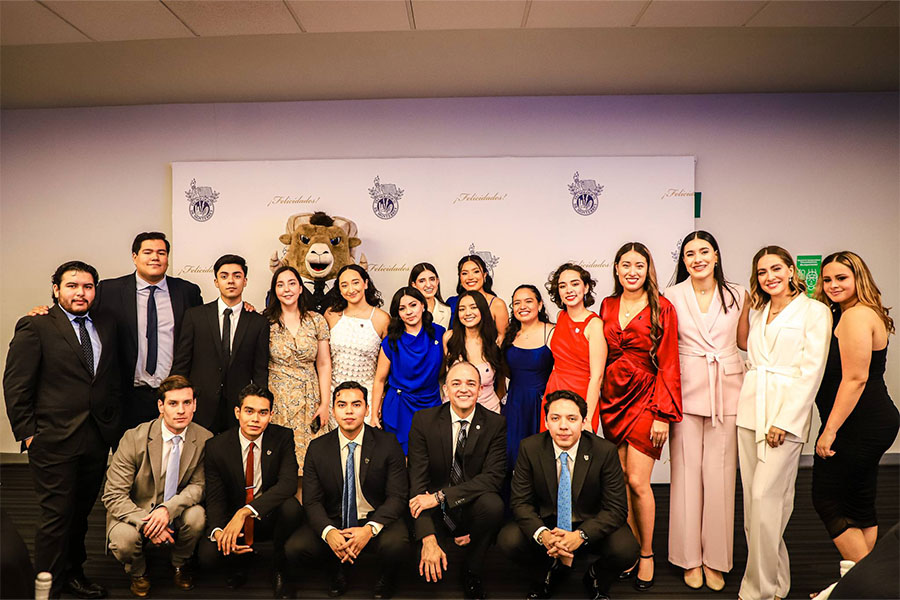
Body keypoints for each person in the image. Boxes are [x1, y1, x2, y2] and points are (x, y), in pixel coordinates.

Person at [3, 260, 121, 599]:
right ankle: (47, 586)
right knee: (56, 517)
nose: (80, 292)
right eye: (72, 286)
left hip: (95, 439)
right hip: (52, 440)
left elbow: (106, 378)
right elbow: (16, 385)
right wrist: (28, 433)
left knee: (82, 514)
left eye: (87, 286)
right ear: (56, 290)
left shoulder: (106, 323)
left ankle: (73, 574)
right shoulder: (35, 325)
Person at [23, 232, 204, 434]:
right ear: (134, 256)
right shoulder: (108, 290)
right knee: (126, 460)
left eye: (161, 252)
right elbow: (78, 312)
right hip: (125, 397)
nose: (155, 257)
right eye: (148, 252)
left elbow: (199, 331)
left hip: (173, 397)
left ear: (167, 258)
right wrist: (48, 312)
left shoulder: (188, 292)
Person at [736, 246, 831, 600]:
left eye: (776, 268)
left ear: (792, 270)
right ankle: (775, 585)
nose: (769, 277)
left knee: (768, 499)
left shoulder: (815, 311)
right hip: (749, 411)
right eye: (762, 272)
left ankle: (758, 591)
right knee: (755, 507)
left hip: (783, 415)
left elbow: (811, 372)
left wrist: (786, 420)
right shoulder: (760, 311)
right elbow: (748, 351)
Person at [665, 231, 750, 591]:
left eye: (703, 251)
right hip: (684, 389)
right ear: (682, 261)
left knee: (720, 477)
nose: (697, 258)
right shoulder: (670, 295)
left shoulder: (739, 293)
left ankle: (716, 559)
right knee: (685, 476)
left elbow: (746, 342)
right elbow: (665, 347)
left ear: (716, 255)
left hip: (727, 389)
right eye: (689, 254)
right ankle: (688, 558)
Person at [498, 390, 639, 600]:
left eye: (571, 419)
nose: (563, 426)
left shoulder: (604, 451)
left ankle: (594, 578)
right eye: (555, 418)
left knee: (626, 549)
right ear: (546, 422)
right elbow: (520, 502)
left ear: (583, 422)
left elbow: (616, 509)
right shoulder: (530, 447)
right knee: (509, 539)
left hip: (589, 523)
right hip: (548, 523)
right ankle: (545, 574)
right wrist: (544, 534)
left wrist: (580, 536)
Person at [598, 242, 682, 591]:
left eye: (639, 264)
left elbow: (669, 362)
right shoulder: (607, 304)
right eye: (625, 264)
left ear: (649, 269)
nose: (632, 271)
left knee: (637, 481)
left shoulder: (663, 308)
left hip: (647, 397)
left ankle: (647, 553)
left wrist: (663, 413)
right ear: (616, 269)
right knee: (619, 481)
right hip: (612, 398)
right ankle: (630, 549)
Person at [811, 251, 899, 562]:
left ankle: (866, 585)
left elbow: (855, 380)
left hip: (859, 423)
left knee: (828, 500)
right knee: (859, 503)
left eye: (841, 278)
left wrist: (828, 431)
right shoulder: (850, 311)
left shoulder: (856, 316)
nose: (833, 284)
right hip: (871, 420)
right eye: (828, 279)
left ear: (858, 278)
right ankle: (857, 586)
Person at [286, 381, 409, 599]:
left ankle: (387, 577)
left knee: (396, 544)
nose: (349, 411)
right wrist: (329, 532)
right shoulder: (318, 447)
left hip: (373, 516)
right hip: (335, 518)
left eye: (356, 404)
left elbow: (397, 497)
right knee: (295, 548)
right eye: (342, 405)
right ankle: (334, 569)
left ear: (367, 408)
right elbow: (312, 501)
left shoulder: (388, 443)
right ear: (333, 410)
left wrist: (369, 529)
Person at [102, 375, 212, 598]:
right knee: (123, 540)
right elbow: (113, 495)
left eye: (187, 403)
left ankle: (180, 563)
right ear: (161, 406)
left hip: (176, 509)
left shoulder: (204, 439)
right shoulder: (133, 438)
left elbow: (199, 486)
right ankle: (138, 572)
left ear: (195, 405)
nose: (181, 410)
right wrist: (148, 523)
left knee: (198, 516)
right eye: (173, 403)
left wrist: (167, 510)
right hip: (136, 510)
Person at [407, 361, 506, 600]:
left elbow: (493, 478)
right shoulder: (424, 421)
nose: (464, 389)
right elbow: (417, 483)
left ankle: (472, 570)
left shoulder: (495, 424)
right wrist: (428, 539)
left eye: (471, 383)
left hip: (468, 505)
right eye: (456, 383)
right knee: (422, 580)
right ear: (445, 391)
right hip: (434, 510)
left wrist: (441, 496)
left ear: (481, 389)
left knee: (493, 505)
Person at [199, 384, 304, 597]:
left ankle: (279, 565)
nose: (255, 419)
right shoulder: (216, 446)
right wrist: (219, 531)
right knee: (207, 557)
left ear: (271, 415)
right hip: (233, 520)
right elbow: (215, 497)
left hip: (265, 514)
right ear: (237, 412)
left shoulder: (282, 438)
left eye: (263, 412)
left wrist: (246, 511)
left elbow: (288, 484)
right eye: (249, 411)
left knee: (291, 508)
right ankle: (237, 560)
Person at [172, 254, 269, 433]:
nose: (230, 281)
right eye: (224, 276)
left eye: (236, 276)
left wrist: (258, 407)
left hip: (239, 408)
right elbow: (182, 363)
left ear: (245, 281)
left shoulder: (258, 322)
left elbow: (260, 370)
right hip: (201, 405)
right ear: (216, 281)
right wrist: (176, 400)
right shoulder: (195, 316)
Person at [263, 265, 332, 490]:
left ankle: (309, 513)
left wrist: (324, 403)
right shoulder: (265, 322)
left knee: (312, 460)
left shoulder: (316, 320)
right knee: (281, 460)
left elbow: (323, 363)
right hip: (278, 398)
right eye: (280, 285)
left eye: (292, 283)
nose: (287, 289)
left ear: (301, 288)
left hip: (310, 398)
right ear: (274, 290)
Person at [370, 287, 444, 453]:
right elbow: (380, 380)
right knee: (400, 462)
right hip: (399, 407)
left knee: (429, 458)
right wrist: (374, 414)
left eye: (413, 305)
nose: (409, 312)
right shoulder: (391, 341)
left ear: (423, 306)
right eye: (402, 308)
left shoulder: (439, 333)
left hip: (430, 404)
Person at [542, 263, 606, 432]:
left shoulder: (594, 324)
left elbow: (597, 377)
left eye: (575, 284)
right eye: (563, 286)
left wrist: (588, 418)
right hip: (554, 390)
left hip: (581, 395)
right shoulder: (560, 316)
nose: (569, 290)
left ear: (585, 287)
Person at [325, 265, 390, 425]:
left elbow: (384, 372)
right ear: (339, 289)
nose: (350, 289)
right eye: (344, 285)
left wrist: (376, 407)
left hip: (366, 399)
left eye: (355, 282)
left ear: (365, 284)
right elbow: (323, 361)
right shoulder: (331, 315)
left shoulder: (381, 319)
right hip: (334, 397)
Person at [501, 284, 554, 470]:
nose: (522, 306)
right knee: (511, 455)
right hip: (514, 403)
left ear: (539, 305)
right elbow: (506, 370)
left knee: (539, 457)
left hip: (540, 404)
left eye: (528, 301)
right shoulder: (509, 335)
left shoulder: (552, 332)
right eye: (517, 303)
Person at [443, 289, 506, 413]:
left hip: (489, 411)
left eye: (473, 307)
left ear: (482, 310)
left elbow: (501, 384)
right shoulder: (449, 338)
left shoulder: (495, 341)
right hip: (453, 412)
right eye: (462, 309)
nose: (467, 313)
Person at [446, 255, 509, 339]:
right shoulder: (452, 302)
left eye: (476, 272)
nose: (470, 277)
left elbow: (503, 338)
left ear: (484, 275)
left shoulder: (497, 304)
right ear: (460, 278)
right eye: (464, 273)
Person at [409, 262, 452, 330]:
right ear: (414, 285)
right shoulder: (407, 311)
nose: (428, 285)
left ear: (437, 281)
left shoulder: (448, 310)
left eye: (432, 279)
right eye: (422, 281)